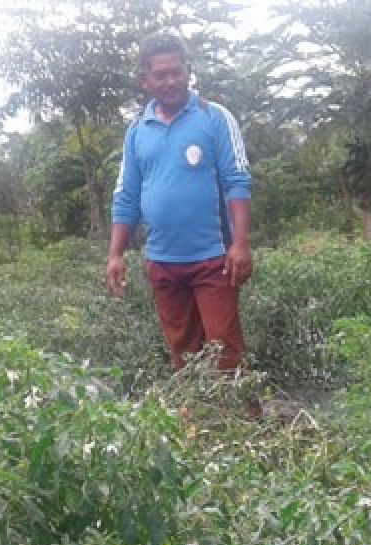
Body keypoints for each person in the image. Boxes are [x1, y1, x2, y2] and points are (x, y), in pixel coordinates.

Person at [106, 33, 253, 376]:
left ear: (188, 70)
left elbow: (237, 181)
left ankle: (248, 423)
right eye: (161, 74)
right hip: (162, 262)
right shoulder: (136, 131)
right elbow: (126, 196)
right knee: (183, 354)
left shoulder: (214, 117)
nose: (171, 80)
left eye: (178, 71)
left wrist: (241, 244)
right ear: (146, 81)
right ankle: (197, 424)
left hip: (214, 258)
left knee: (226, 351)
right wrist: (115, 255)